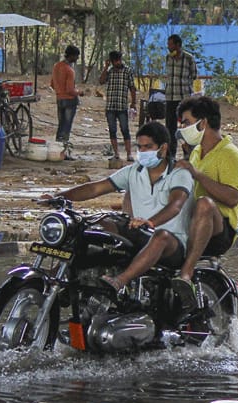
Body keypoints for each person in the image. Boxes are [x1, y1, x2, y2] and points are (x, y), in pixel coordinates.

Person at [42, 122, 193, 294]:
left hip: (172, 243)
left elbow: (176, 205)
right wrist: (57, 197)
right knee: (100, 225)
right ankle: (63, 274)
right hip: (140, 233)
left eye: (148, 147)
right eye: (140, 147)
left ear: (163, 148)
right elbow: (95, 188)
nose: (143, 152)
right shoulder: (134, 171)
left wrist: (151, 222)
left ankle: (120, 280)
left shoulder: (180, 174)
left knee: (161, 236)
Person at [173, 96, 238, 304]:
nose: (182, 128)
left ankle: (186, 274)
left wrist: (197, 174)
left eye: (186, 122)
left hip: (220, 229)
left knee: (204, 203)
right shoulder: (196, 152)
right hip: (193, 222)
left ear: (203, 123)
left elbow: (233, 198)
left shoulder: (230, 154)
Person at [99, 50, 138, 163]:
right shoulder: (109, 71)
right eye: (115, 61)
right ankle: (116, 154)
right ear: (111, 62)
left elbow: (132, 88)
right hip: (110, 106)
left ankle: (129, 154)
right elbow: (101, 81)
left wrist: (133, 103)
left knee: (125, 129)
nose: (117, 62)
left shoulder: (127, 71)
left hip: (122, 106)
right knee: (112, 130)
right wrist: (105, 68)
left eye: (118, 60)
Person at [165, 34, 198, 163]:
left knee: (186, 126)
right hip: (170, 96)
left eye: (171, 44)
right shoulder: (168, 58)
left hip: (184, 98)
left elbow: (194, 75)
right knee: (170, 127)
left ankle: (187, 153)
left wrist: (185, 82)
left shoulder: (189, 58)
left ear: (178, 45)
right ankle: (171, 155)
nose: (169, 47)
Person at [50, 45, 82, 160]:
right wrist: (80, 92)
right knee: (66, 127)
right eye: (76, 56)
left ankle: (56, 151)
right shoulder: (69, 70)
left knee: (61, 126)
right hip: (69, 100)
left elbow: (52, 84)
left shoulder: (56, 66)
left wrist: (60, 91)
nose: (77, 59)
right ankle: (63, 153)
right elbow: (70, 90)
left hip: (59, 99)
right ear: (72, 56)